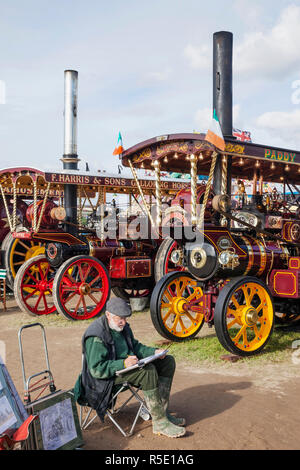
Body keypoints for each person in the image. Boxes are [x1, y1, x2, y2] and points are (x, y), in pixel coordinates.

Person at [74, 297, 186, 438]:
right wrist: (123, 364)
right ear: (108, 315)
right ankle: (159, 423)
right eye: (120, 318)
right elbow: (96, 369)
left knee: (168, 361)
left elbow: (136, 347)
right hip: (103, 380)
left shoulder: (122, 327)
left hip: (124, 369)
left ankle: (162, 413)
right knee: (148, 372)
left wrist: (154, 352)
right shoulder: (96, 335)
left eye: (125, 318)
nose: (124, 322)